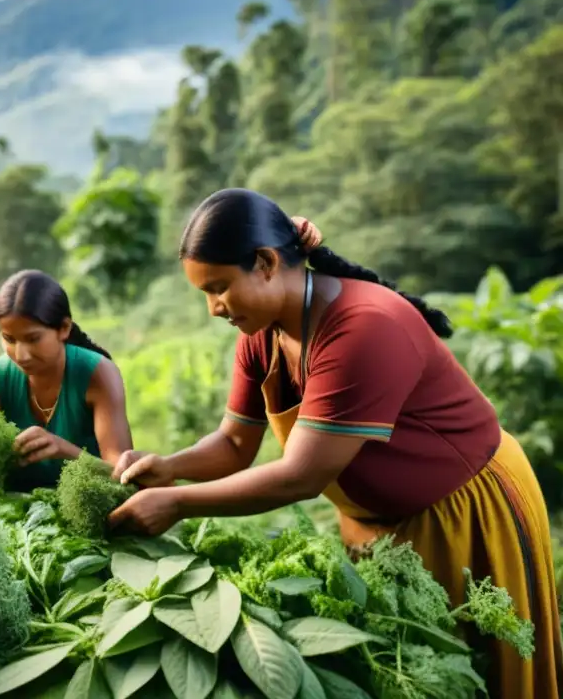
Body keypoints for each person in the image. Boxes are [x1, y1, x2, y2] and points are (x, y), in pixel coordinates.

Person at [107, 188, 562, 698]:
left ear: (265, 263)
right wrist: (168, 466)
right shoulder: (262, 334)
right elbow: (234, 442)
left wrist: (176, 503)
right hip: (375, 528)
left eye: (219, 288)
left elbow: (301, 475)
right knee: (408, 672)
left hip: (463, 514)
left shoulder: (362, 328)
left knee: (483, 669)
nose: (214, 308)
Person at [0, 269, 134, 491]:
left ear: (64, 328)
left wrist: (65, 451)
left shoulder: (97, 373)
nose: (21, 355)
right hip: (21, 513)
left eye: (33, 339)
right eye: (9, 339)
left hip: (92, 505)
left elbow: (124, 473)